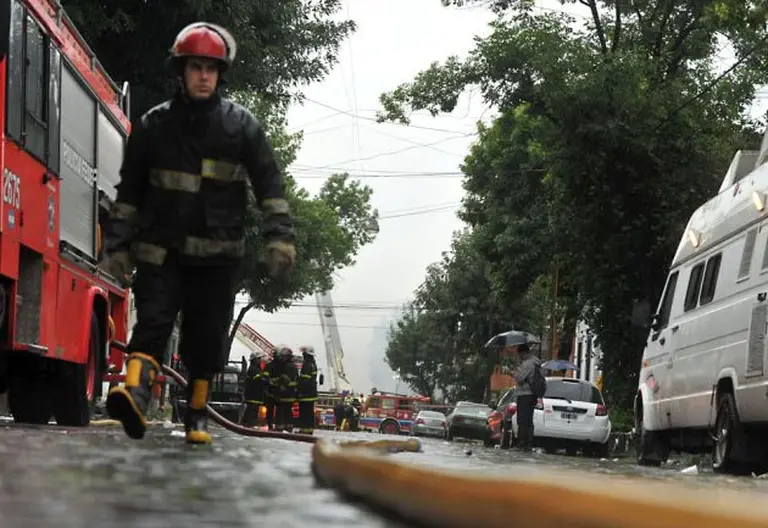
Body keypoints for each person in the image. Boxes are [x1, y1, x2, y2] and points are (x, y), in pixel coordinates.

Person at [101, 22, 296, 445]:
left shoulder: (241, 128)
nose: (203, 76)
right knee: (152, 323)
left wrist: (280, 236)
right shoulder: (153, 127)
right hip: (159, 251)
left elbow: (270, 187)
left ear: (220, 74)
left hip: (217, 256)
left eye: (211, 68)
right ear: (181, 70)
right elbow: (128, 193)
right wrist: (116, 245)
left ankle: (196, 415)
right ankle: (133, 395)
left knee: (205, 340)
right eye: (195, 67)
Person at [514, 343, 541, 452]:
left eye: (519, 354)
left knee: (522, 420)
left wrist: (513, 372)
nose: (519, 357)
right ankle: (528, 444)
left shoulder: (528, 363)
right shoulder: (535, 362)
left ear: (523, 353)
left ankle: (522, 444)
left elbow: (520, 378)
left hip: (525, 394)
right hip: (532, 394)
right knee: (528, 420)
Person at [267, 345, 298, 431]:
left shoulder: (287, 366)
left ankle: (279, 428)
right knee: (288, 411)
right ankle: (288, 428)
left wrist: (279, 388)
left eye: (282, 357)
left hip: (284, 394)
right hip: (290, 394)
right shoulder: (293, 366)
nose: (281, 358)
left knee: (280, 411)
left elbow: (285, 379)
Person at [296, 346, 319, 434]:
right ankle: (309, 429)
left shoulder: (306, 365)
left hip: (305, 394)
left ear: (306, 354)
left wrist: (299, 390)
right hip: (312, 393)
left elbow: (304, 380)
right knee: (309, 412)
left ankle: (304, 430)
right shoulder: (314, 364)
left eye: (303, 353)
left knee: (304, 412)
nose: (303, 355)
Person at [242, 352, 268, 427]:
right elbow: (260, 381)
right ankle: (249, 426)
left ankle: (247, 424)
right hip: (254, 395)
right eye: (259, 359)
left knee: (251, 410)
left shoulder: (255, 368)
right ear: (254, 360)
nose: (260, 360)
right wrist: (267, 381)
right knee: (252, 411)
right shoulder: (254, 370)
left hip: (254, 395)